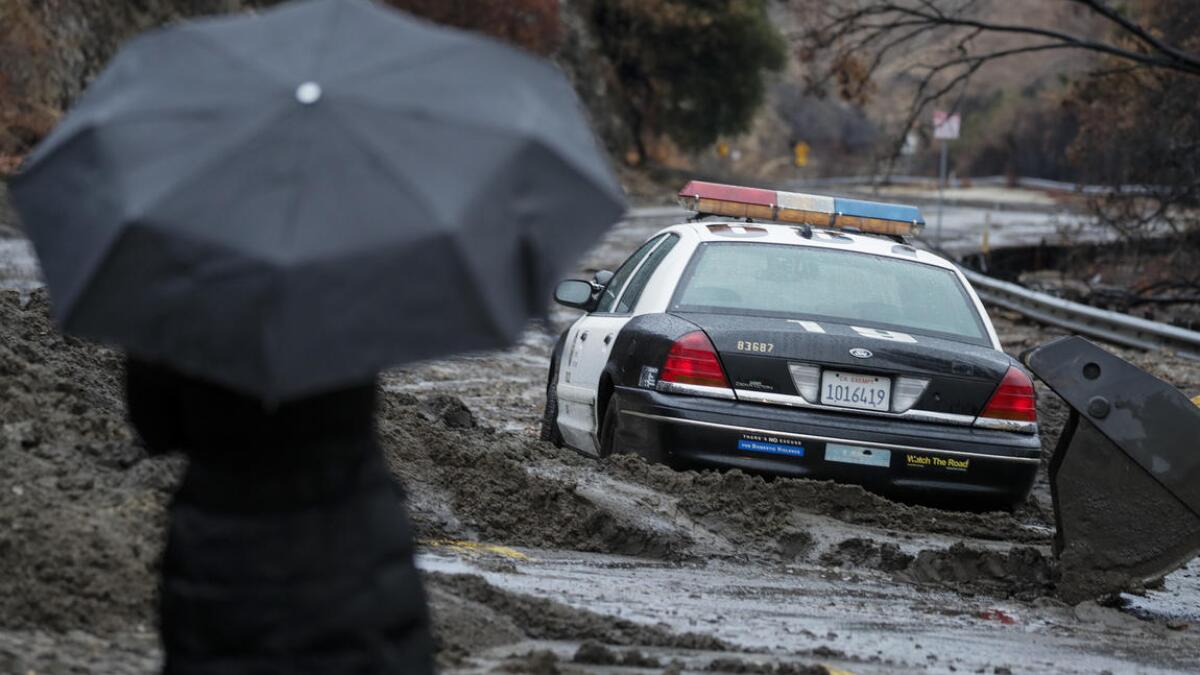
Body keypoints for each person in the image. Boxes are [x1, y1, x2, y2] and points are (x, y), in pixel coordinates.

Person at [124, 357, 434, 674]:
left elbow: (155, 427)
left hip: (225, 543)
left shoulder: (189, 318)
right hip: (351, 531)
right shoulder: (345, 314)